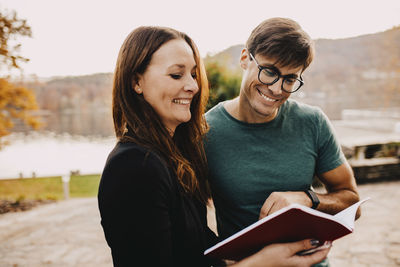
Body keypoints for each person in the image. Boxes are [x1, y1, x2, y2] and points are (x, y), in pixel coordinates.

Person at [98, 26, 331, 267]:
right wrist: (263, 263)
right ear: (136, 81)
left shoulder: (173, 156)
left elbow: (192, 250)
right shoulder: (134, 167)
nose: (193, 86)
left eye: (193, 74)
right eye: (177, 75)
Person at [205, 18, 360, 266]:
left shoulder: (313, 122)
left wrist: (308, 200)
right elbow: (185, 219)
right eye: (269, 72)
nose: (277, 89)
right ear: (245, 58)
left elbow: (352, 201)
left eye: (289, 79)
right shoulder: (204, 131)